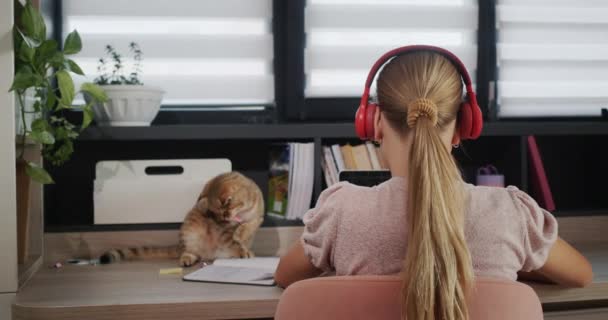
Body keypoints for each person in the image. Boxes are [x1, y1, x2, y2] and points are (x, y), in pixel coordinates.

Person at [274, 46, 593, 320]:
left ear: (375, 123)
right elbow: (580, 275)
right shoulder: (509, 214)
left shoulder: (341, 211)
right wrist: (506, 256)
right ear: (463, 127)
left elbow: (286, 276)